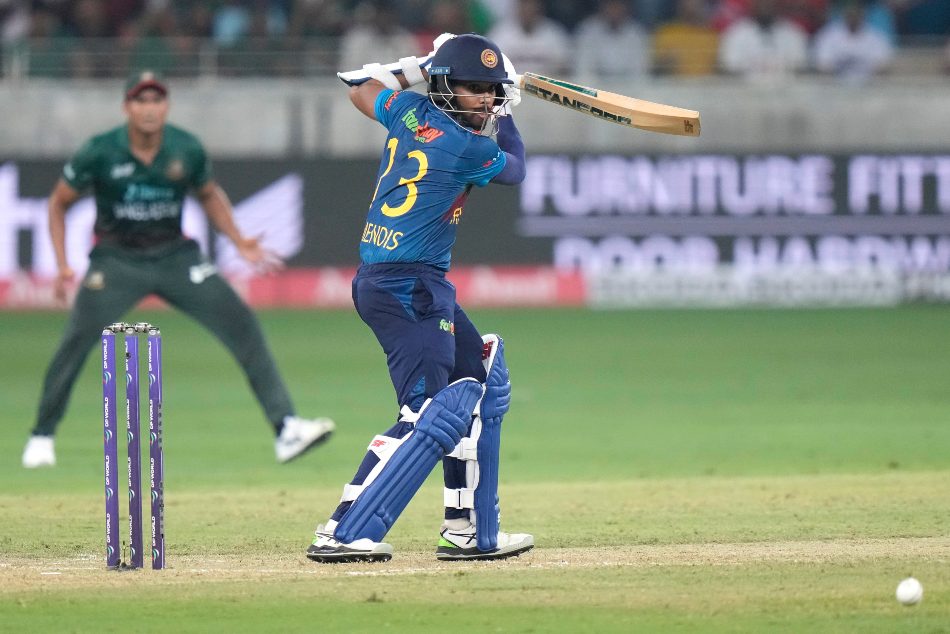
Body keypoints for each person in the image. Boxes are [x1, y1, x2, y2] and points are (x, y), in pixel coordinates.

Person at [21, 70, 335, 468]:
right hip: (116, 260)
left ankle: (286, 428)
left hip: (176, 257)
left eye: (157, 100)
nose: (149, 108)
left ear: (166, 106)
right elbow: (58, 202)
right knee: (76, 341)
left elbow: (208, 194)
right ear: (127, 107)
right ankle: (42, 436)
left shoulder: (185, 148)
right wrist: (63, 263)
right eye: (141, 100)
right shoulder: (100, 151)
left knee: (241, 323)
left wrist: (238, 240)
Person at [306, 33, 533, 563]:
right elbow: (517, 168)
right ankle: (343, 530)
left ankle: (469, 529)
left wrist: (420, 66)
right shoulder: (468, 147)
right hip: (407, 285)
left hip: (404, 281)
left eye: (492, 91)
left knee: (479, 380)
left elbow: (361, 87)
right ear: (447, 86)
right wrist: (510, 115)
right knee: (428, 411)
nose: (486, 100)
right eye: (475, 89)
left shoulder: (409, 111)